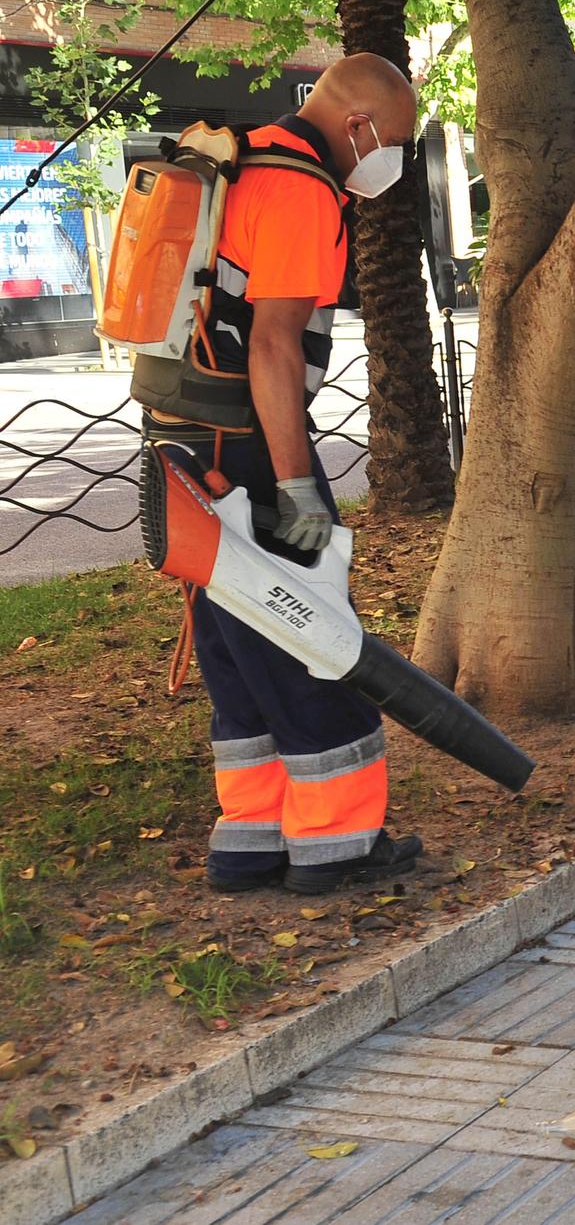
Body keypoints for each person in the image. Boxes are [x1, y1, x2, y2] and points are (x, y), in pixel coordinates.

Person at [145, 54, 423, 895]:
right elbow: (271, 345)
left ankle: (251, 837)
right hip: (248, 446)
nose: (390, 161)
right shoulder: (301, 188)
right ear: (358, 127)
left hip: (181, 438)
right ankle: (336, 842)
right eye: (394, 142)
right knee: (311, 638)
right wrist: (299, 484)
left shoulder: (243, 156)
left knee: (234, 645)